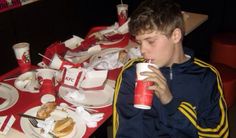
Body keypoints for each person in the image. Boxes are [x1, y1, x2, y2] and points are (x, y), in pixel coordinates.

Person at [112, 0, 229, 137]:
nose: (142, 50)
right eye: (139, 42)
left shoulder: (205, 77)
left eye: (150, 41)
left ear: (175, 36)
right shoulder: (132, 74)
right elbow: (126, 132)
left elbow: (218, 134)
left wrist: (171, 104)